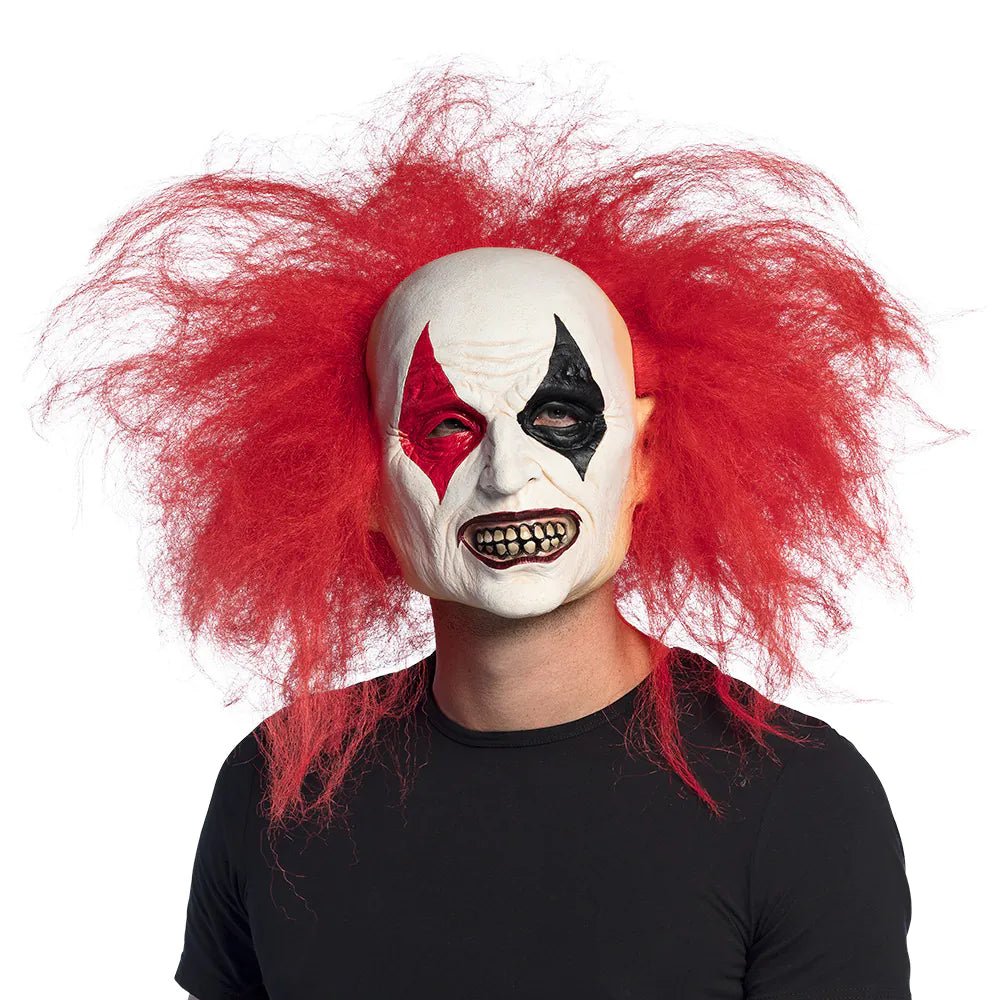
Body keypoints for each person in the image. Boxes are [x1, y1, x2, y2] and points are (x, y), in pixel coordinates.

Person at [35, 71, 930, 999]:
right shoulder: (280, 787)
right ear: (360, 484)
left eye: (559, 417)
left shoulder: (796, 801)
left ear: (646, 457)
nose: (506, 475)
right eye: (447, 427)